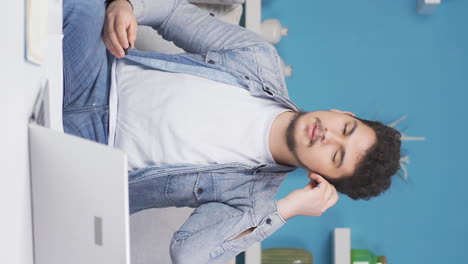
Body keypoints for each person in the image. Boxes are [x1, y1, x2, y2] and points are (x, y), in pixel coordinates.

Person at [62, 0, 401, 263]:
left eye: (336, 155)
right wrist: (129, 6)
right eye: (345, 128)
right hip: (96, 73)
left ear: (322, 177)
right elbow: (172, 14)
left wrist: (285, 210)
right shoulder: (257, 59)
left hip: (94, 157)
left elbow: (187, 254)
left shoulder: (252, 202)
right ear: (344, 113)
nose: (329, 136)